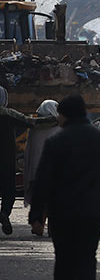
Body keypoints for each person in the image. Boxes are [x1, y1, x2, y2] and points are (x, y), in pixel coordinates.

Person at [28, 94, 100, 280]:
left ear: (65, 115)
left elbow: (42, 180)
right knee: (87, 258)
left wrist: (36, 214)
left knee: (64, 261)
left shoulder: (56, 142)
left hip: (62, 212)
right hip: (92, 210)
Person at [0, 86, 53, 236]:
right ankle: (4, 213)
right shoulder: (8, 114)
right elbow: (31, 122)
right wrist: (55, 119)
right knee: (8, 191)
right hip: (6, 159)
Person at [22, 100, 59, 209]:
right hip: (54, 174)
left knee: (38, 206)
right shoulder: (60, 128)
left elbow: (29, 150)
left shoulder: (35, 128)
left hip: (36, 172)